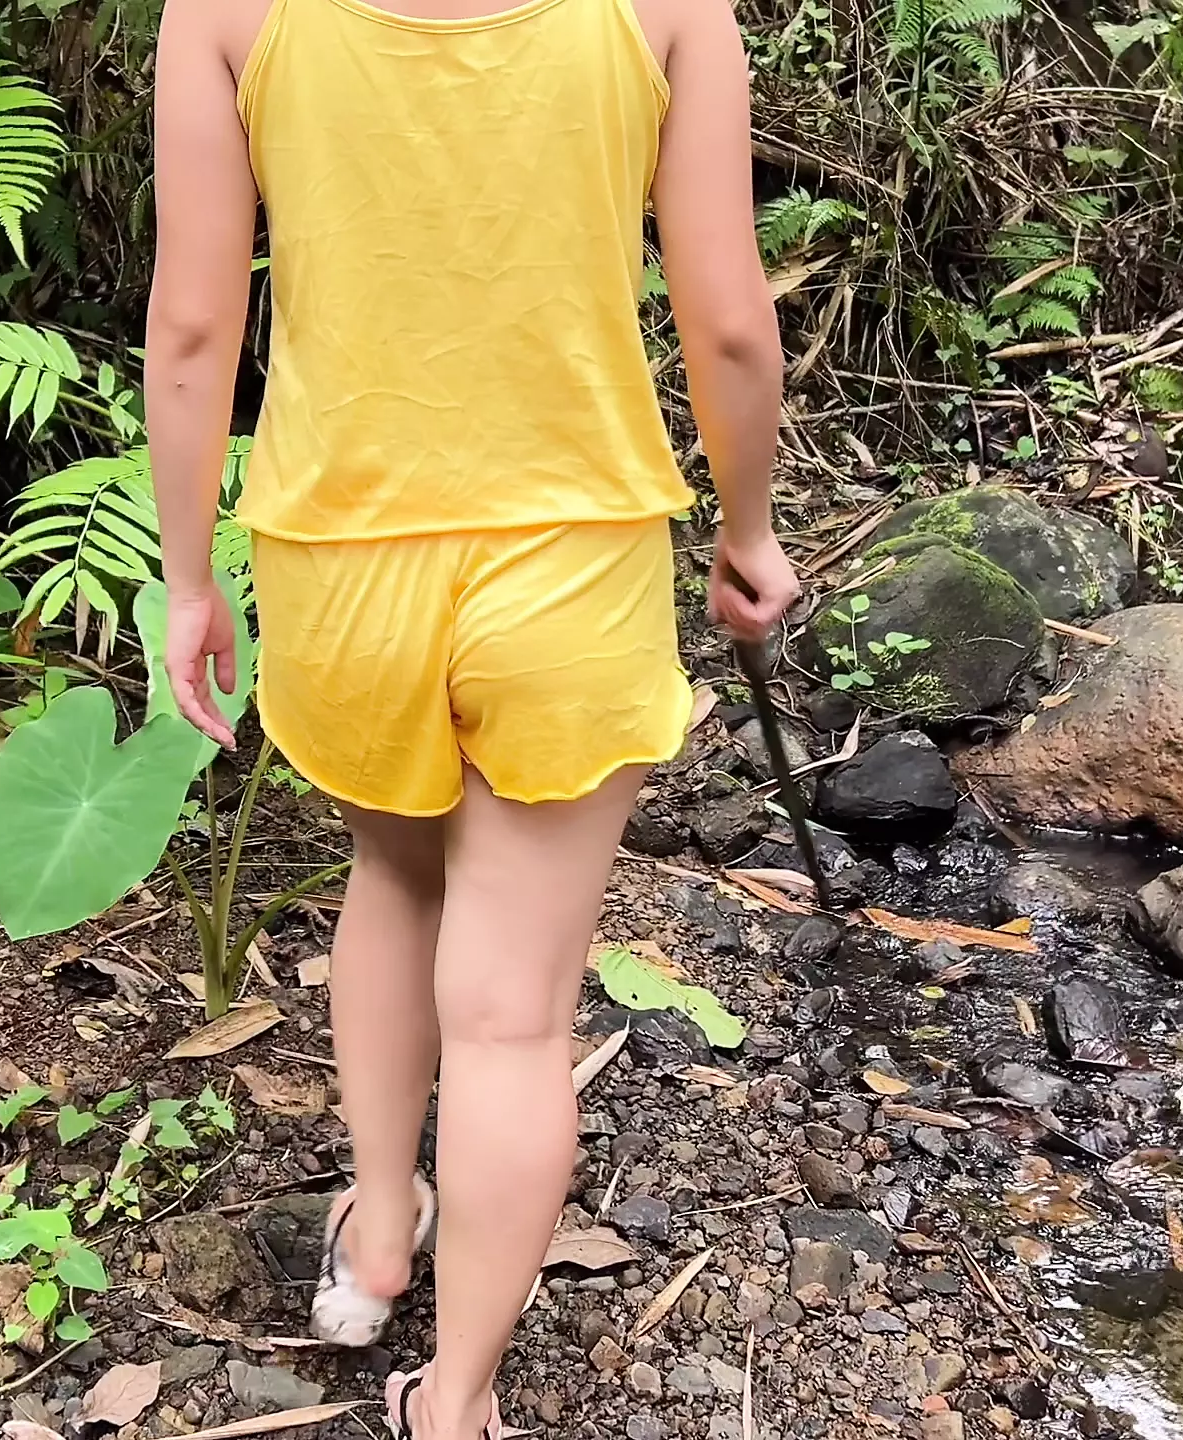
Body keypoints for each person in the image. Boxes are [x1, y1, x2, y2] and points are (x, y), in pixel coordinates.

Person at [144, 0, 795, 1427]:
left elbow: (195, 323)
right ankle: (455, 1401)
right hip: (573, 557)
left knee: (392, 872)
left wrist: (188, 577)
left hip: (340, 556)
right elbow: (730, 324)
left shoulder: (223, 13)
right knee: (511, 1022)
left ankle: (382, 1232)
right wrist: (747, 530)